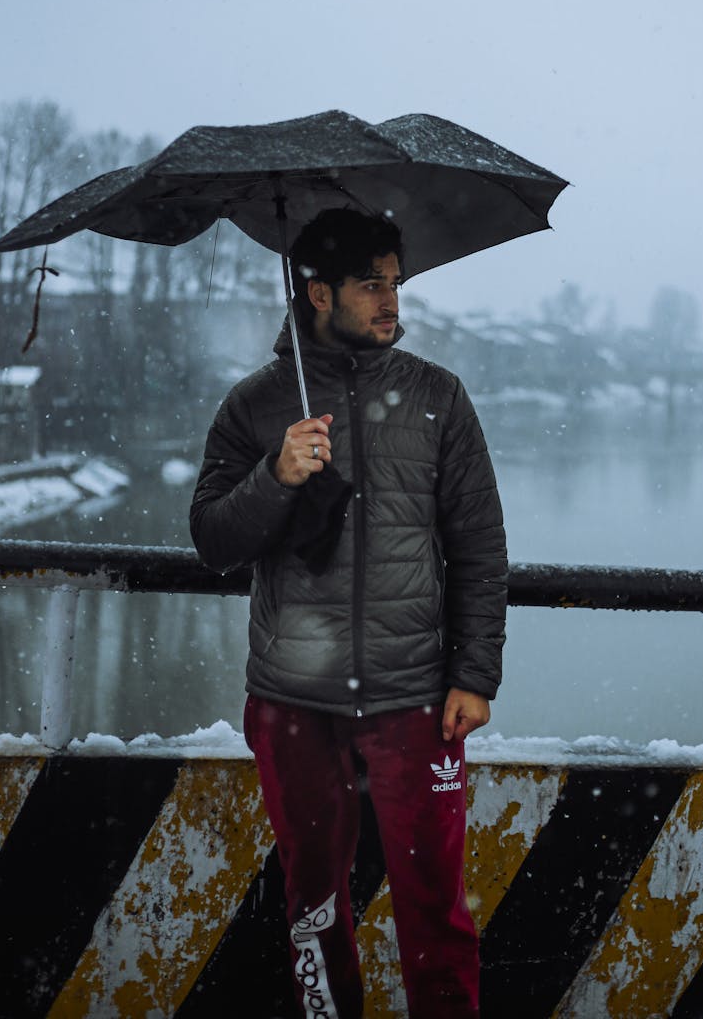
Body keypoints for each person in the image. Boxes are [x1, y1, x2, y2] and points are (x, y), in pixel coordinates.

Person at [190, 208, 508, 1019]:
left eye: (396, 282)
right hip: (294, 701)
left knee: (435, 909)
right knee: (313, 906)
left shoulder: (438, 395)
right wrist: (278, 473)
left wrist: (473, 673)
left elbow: (478, 547)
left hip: (414, 701)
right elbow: (213, 541)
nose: (391, 300)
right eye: (373, 284)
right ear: (318, 292)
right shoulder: (258, 406)